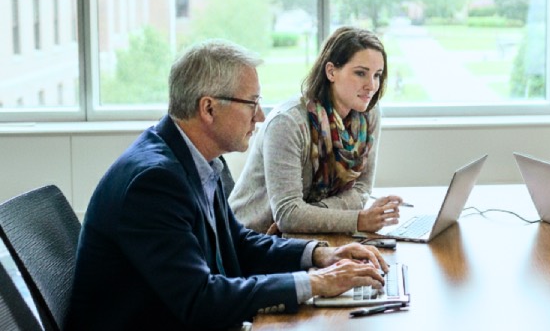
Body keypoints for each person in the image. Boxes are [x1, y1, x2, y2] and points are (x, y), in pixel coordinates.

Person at [66, 40, 388, 330]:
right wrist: (314, 283)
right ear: (208, 108)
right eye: (252, 103)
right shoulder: (154, 183)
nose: (260, 116)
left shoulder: (199, 159)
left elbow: (236, 242)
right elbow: (200, 299)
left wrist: (319, 255)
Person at [230, 27, 403, 235]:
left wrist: (311, 214)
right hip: (251, 239)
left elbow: (362, 189)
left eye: (377, 75)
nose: (371, 86)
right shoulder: (288, 123)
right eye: (360, 73)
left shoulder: (369, 114)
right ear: (331, 71)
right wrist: (357, 220)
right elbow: (288, 214)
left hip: (307, 235)